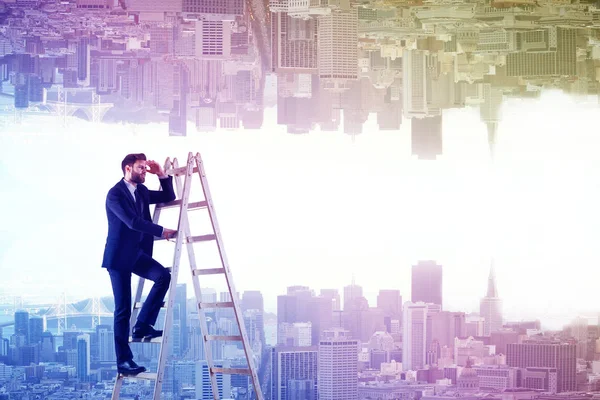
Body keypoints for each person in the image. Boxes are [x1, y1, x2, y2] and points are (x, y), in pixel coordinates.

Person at [101, 153, 177, 375]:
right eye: (140, 168)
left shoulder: (142, 191)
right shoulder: (114, 195)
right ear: (127, 168)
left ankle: (143, 324)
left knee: (163, 276)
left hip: (136, 253)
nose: (144, 171)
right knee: (123, 309)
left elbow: (168, 196)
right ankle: (123, 362)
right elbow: (133, 222)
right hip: (118, 257)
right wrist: (162, 231)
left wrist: (161, 174)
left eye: (145, 168)